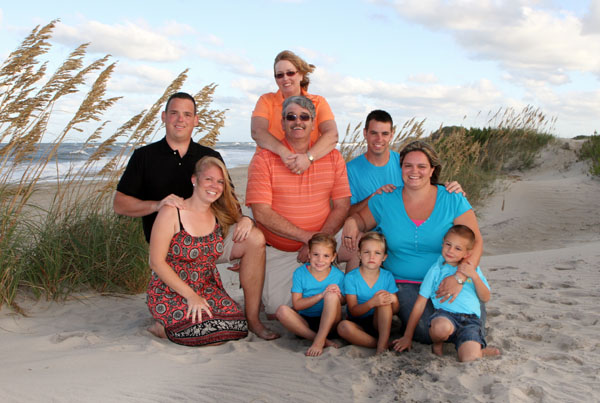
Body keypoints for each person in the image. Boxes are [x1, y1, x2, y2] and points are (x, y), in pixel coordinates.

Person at [114, 92, 278, 340]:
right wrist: (157, 205)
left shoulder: (208, 157)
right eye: (174, 113)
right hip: (170, 248)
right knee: (194, 324)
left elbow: (228, 199)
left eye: (187, 114)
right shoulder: (144, 156)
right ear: (164, 117)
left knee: (254, 238)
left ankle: (253, 320)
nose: (180, 119)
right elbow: (120, 204)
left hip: (209, 242)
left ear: (196, 120)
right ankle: (170, 316)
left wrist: (246, 219)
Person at [342, 140, 484, 344]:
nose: (414, 171)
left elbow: (476, 241)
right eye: (408, 165)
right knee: (425, 331)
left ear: (432, 169)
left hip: (449, 277)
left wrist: (460, 278)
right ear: (400, 168)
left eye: (421, 166)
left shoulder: (452, 199)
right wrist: (351, 222)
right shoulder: (386, 199)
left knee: (469, 324)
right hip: (405, 283)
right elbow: (360, 220)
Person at [246, 95, 351, 316]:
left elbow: (342, 206)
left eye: (304, 117)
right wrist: (306, 238)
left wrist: (317, 242)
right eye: (291, 117)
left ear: (313, 123)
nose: (297, 121)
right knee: (276, 310)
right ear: (282, 123)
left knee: (359, 241)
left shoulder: (333, 157)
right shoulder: (263, 159)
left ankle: (353, 298)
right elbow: (261, 213)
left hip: (326, 240)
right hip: (284, 251)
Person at [146, 156, 248, 346]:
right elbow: (156, 262)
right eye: (208, 179)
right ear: (195, 179)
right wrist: (191, 296)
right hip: (171, 291)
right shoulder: (172, 212)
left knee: (237, 327)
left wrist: (247, 220)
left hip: (207, 288)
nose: (214, 186)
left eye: (220, 182)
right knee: (201, 332)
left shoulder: (218, 214)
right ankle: (160, 328)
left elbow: (240, 221)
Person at [392, 225, 500, 361]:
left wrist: (474, 276)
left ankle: (479, 351)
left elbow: (485, 297)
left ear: (467, 254)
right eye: (448, 244)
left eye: (458, 248)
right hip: (445, 316)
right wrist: (407, 336)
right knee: (440, 329)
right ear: (443, 243)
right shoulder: (436, 270)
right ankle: (438, 343)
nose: (450, 250)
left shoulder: (472, 270)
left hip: (470, 320)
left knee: (469, 358)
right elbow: (420, 303)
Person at [251, 50, 338, 175]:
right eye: (279, 75)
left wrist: (308, 158)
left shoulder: (318, 102)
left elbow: (332, 135)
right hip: (269, 168)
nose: (285, 78)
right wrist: (284, 153)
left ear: (301, 75)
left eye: (290, 73)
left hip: (307, 169)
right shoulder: (266, 100)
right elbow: (257, 131)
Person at [275, 233, 345, 357]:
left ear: (333, 257)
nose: (320, 260)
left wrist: (337, 294)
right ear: (309, 254)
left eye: (326, 256)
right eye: (316, 254)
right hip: (306, 323)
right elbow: (297, 305)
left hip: (331, 323)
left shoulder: (338, 275)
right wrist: (321, 295)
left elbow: (344, 301)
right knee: (281, 311)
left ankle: (320, 340)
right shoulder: (300, 273)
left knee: (332, 295)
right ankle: (318, 339)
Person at [337, 232, 399, 354]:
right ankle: (379, 343)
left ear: (384, 257)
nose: (372, 257)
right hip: (358, 324)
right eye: (366, 252)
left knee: (384, 301)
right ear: (359, 254)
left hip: (380, 323)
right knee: (343, 327)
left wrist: (394, 300)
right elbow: (353, 310)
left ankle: (381, 345)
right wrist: (372, 303)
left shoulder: (387, 276)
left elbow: (395, 310)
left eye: (377, 253)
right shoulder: (351, 277)